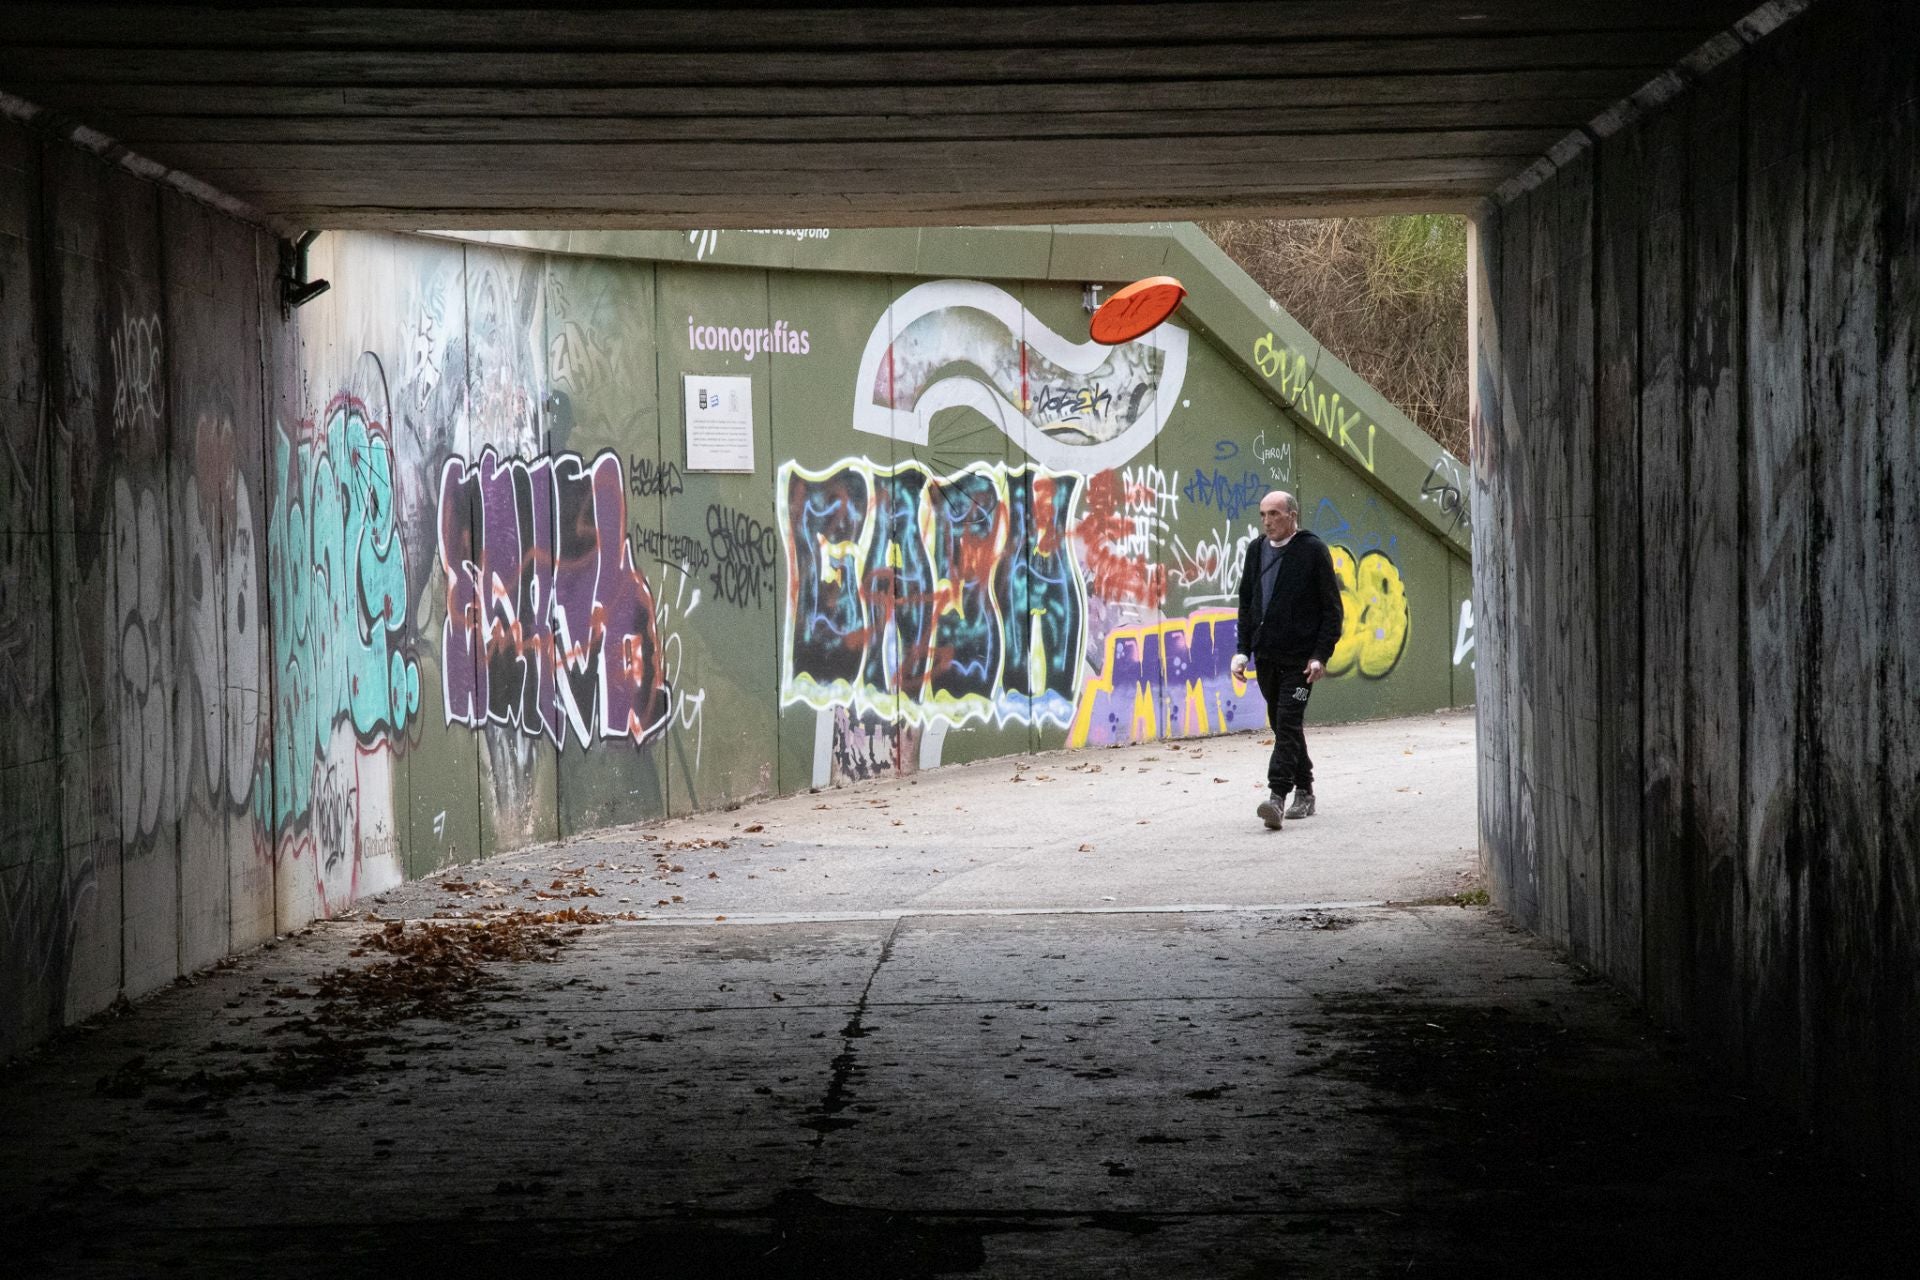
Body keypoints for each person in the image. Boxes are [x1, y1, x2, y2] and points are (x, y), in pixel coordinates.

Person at [1230, 491, 1342, 830]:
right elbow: (1247, 604)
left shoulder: (1312, 550)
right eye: (1263, 514)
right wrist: (1242, 650)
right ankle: (1305, 790)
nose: (1267, 521)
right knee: (1282, 725)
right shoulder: (1256, 550)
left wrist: (1320, 655)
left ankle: (1276, 796)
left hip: (1301, 663)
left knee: (1289, 722)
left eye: (1275, 514)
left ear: (1292, 515)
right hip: (1266, 657)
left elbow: (1332, 611)